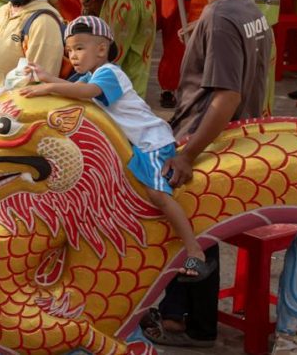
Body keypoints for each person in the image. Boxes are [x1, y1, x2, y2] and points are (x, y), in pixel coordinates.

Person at [143, 0, 272, 348]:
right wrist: (198, 38)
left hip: (207, 140)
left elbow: (227, 96)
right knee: (203, 227)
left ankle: (188, 323)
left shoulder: (218, 17)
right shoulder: (245, 9)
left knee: (193, 229)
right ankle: (188, 317)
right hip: (238, 139)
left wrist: (187, 155)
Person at [23, 17, 213, 280]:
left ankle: (195, 251)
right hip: (135, 147)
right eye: (69, 51)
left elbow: (86, 92)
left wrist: (49, 86)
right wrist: (47, 78)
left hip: (152, 142)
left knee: (158, 194)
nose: (73, 56)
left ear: (101, 49)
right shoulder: (91, 75)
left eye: (79, 48)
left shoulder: (109, 73)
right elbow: (77, 89)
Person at [81, 0, 161, 99]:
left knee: (109, 58)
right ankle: (136, 105)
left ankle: (109, 106)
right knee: (140, 61)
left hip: (120, 5)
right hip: (147, 4)